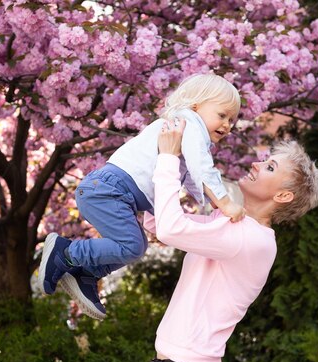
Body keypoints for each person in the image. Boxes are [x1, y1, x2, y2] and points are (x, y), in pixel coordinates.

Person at [147, 119, 318, 362]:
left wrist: (168, 157)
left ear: (282, 196)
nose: (256, 164)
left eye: (270, 167)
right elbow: (157, 223)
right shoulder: (232, 224)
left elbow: (169, 229)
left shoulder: (251, 239)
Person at [38, 73, 245, 320]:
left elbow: (190, 175)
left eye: (232, 120)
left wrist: (206, 203)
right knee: (131, 246)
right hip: (109, 190)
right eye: (222, 115)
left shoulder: (182, 130)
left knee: (137, 246)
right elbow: (201, 167)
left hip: (112, 192)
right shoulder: (189, 123)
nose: (227, 125)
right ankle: (67, 252)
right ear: (195, 105)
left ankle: (86, 273)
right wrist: (223, 201)